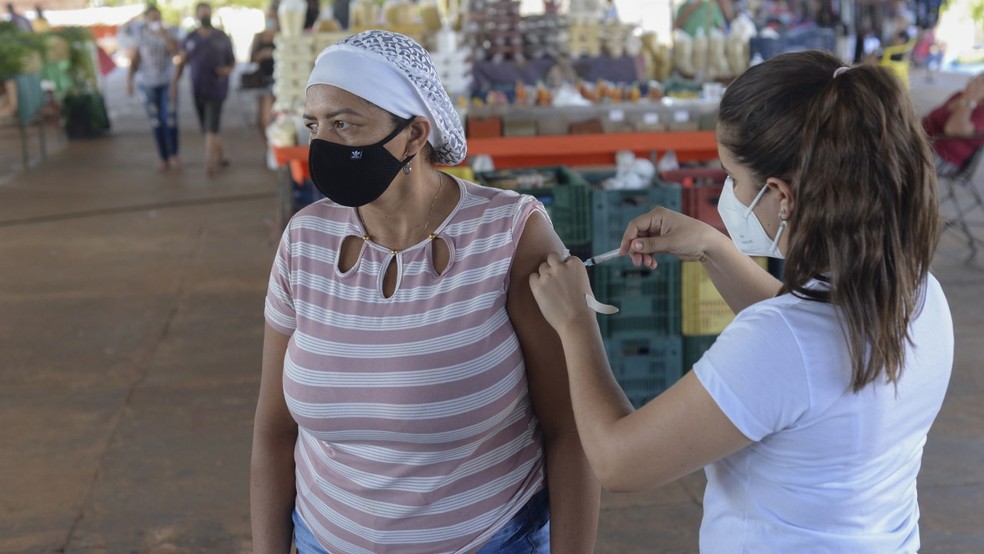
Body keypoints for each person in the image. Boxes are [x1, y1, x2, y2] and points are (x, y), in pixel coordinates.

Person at [529, 50, 953, 552]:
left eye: (732, 178)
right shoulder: (917, 292)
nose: (728, 192)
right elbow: (802, 357)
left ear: (781, 194)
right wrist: (712, 247)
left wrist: (576, 321)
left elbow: (618, 461)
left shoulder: (780, 344)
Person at [251, 30, 600, 553]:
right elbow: (274, 429)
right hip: (323, 538)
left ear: (414, 135)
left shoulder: (509, 234)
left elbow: (569, 429)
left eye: (344, 124)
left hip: (487, 541)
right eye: (314, 125)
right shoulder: (305, 240)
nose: (323, 144)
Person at [171, 2, 235, 178]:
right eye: (202, 13)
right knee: (208, 128)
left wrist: (227, 70)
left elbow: (232, 61)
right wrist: (174, 84)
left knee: (210, 128)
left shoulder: (221, 37)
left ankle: (210, 164)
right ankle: (222, 156)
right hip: (198, 89)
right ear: (196, 16)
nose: (205, 16)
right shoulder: (190, 38)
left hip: (217, 89)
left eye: (207, 13)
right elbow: (180, 61)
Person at [127, 5, 181, 172]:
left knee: (169, 120)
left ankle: (174, 154)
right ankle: (163, 158)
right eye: (152, 18)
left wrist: (164, 35)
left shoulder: (169, 34)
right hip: (147, 85)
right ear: (146, 20)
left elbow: (176, 54)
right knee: (156, 122)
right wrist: (129, 80)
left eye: (157, 18)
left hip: (167, 83)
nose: (155, 21)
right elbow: (135, 60)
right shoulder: (141, 36)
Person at [923, 72, 984, 175]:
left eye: (978, 84)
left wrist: (969, 100)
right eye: (974, 79)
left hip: (944, 157)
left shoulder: (980, 111)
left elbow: (952, 129)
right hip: (923, 143)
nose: (972, 84)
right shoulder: (959, 95)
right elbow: (932, 115)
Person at [247, 6, 278, 141]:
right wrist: (262, 54)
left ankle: (272, 144)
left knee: (273, 116)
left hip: (279, 80)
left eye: (273, 17)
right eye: (268, 16)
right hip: (262, 80)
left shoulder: (282, 36)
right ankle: (267, 145)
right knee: (263, 118)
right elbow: (251, 59)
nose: (270, 19)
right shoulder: (259, 36)